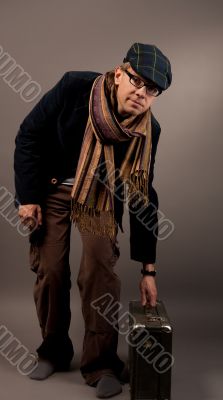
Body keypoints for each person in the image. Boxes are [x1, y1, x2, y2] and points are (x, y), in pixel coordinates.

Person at [14, 42, 172, 398]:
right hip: (53, 189)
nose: (141, 93)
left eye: (152, 90)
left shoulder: (149, 132)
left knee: (98, 269)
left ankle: (100, 363)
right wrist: (27, 198)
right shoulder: (74, 88)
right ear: (119, 73)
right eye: (137, 81)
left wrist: (149, 269)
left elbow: (143, 195)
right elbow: (28, 136)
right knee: (51, 270)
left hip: (100, 195)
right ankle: (53, 349)